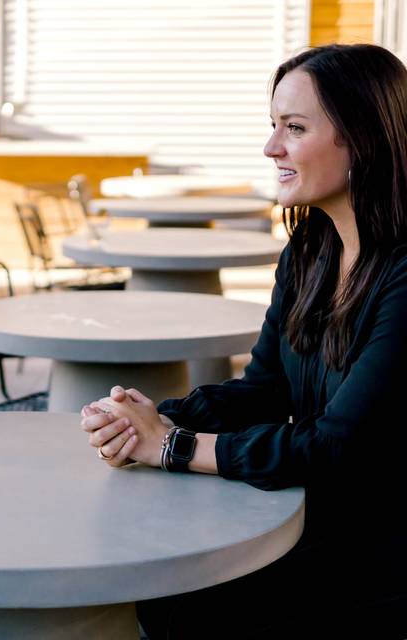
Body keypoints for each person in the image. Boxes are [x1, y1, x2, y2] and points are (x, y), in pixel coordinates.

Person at [81, 44, 407, 639]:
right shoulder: (310, 251)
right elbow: (264, 389)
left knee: (195, 613)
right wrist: (148, 421)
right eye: (273, 126)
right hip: (315, 515)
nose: (271, 148)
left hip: (387, 551)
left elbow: (335, 448)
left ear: (364, 139)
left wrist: (173, 448)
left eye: (295, 128)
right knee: (158, 591)